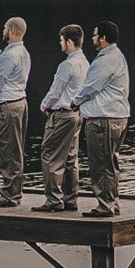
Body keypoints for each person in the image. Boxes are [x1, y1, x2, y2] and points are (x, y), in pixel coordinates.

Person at [71, 20, 131, 217]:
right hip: (118, 116)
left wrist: (75, 102)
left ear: (103, 38)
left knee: (101, 164)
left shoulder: (105, 60)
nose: (93, 38)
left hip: (104, 119)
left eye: (95, 35)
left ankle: (105, 206)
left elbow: (90, 87)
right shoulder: (118, 56)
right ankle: (113, 203)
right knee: (111, 163)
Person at [33, 24, 88, 212]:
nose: (60, 43)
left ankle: (53, 200)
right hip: (77, 115)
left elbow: (55, 92)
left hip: (62, 115)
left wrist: (44, 106)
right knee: (71, 158)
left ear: (69, 42)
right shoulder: (85, 63)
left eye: (62, 40)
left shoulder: (67, 65)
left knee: (50, 155)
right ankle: (70, 199)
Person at [0, 16, 31, 208]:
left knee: (8, 150)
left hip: (7, 106)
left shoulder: (8, 55)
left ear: (11, 30)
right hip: (20, 102)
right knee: (16, 150)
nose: (3, 31)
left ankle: (10, 195)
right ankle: (14, 192)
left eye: (4, 28)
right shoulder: (24, 53)